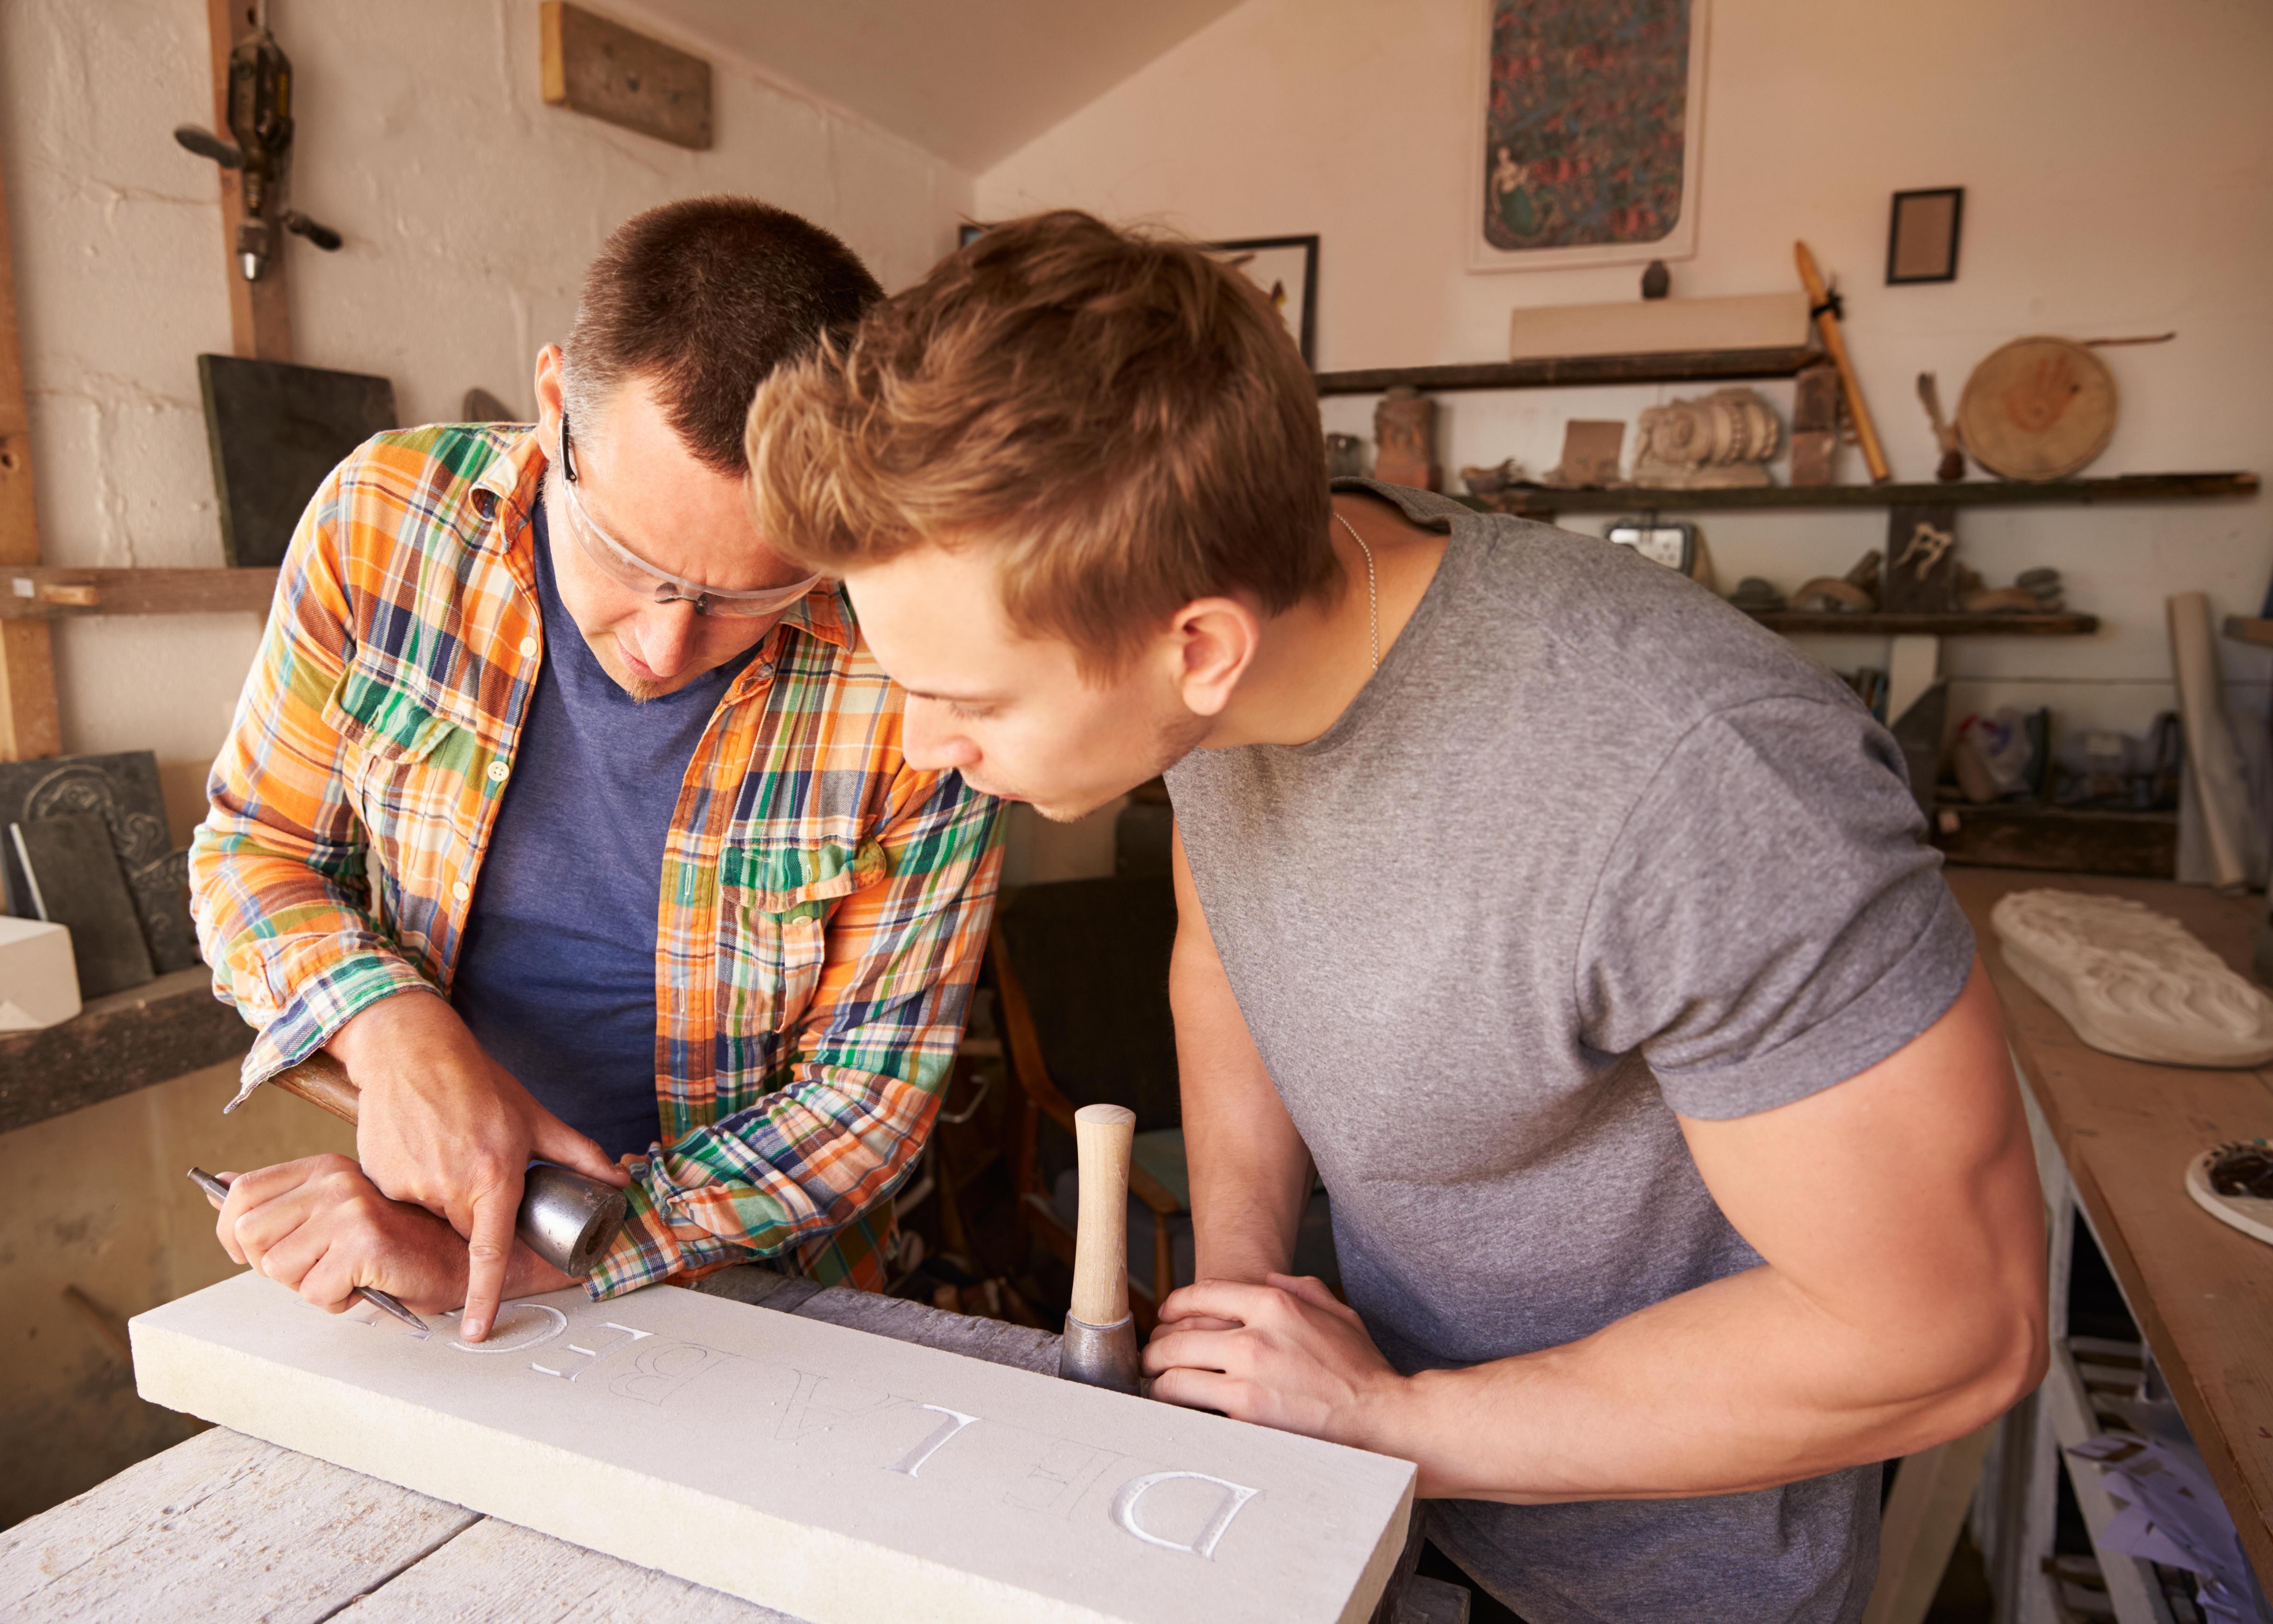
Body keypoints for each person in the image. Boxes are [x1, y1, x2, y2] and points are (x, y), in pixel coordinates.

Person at [743, 210, 2046, 1622]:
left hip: (1645, 1582)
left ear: (1199, 649)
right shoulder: (1212, 662)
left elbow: (1948, 1331)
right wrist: (1244, 1290)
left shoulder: (1699, 783)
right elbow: (1227, 947)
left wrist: (1391, 1425)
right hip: (1364, 1507)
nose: (924, 745)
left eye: (970, 700)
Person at [189, 197, 1003, 1346]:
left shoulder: (910, 666)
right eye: (630, 559)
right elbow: (254, 850)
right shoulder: (383, 525)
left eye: (746, 596)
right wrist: (393, 1029)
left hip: (759, 1289)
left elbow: (864, 1100)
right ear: (556, 403)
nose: (668, 645)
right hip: (424, 1228)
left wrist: (555, 1250)